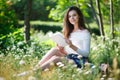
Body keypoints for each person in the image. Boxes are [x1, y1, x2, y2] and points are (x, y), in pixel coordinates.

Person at [34, 6, 91, 70]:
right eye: (69, 16)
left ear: (79, 16)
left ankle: (35, 72)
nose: (72, 18)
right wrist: (62, 49)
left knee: (55, 59)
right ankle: (35, 68)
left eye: (74, 15)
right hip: (69, 57)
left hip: (79, 61)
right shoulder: (69, 31)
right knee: (54, 50)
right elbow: (69, 52)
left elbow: (86, 54)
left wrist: (72, 46)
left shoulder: (85, 33)